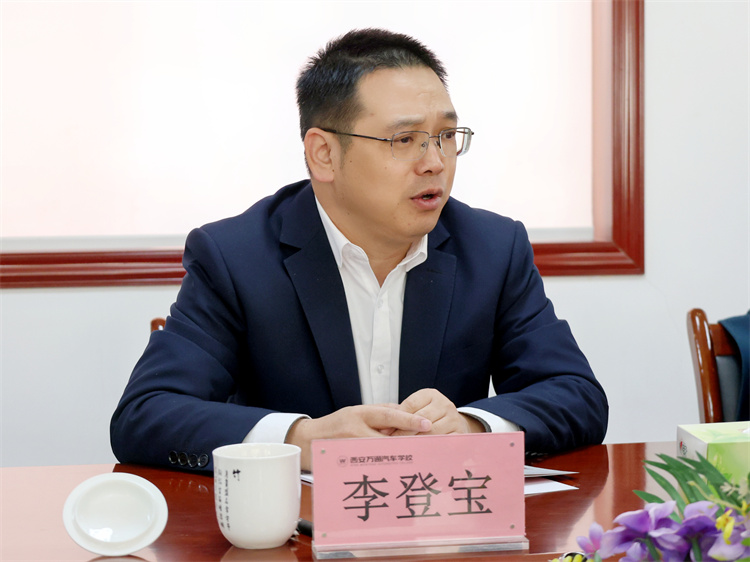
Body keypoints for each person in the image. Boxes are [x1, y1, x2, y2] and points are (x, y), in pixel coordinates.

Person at [111, 28, 608, 473]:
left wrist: (471, 426)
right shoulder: (236, 257)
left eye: (445, 136)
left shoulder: (493, 248)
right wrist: (301, 439)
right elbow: (146, 414)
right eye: (404, 139)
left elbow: (577, 395)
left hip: (442, 522)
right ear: (324, 154)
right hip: (298, 529)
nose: (435, 162)